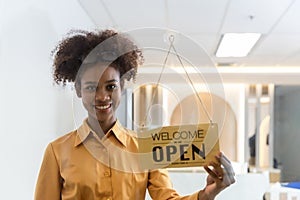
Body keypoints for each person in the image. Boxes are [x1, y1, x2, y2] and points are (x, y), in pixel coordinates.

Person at [34, 29, 235, 200]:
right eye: (91, 87)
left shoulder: (145, 148)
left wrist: (208, 194)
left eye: (110, 86)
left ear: (121, 86)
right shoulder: (57, 152)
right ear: (78, 90)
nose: (102, 96)